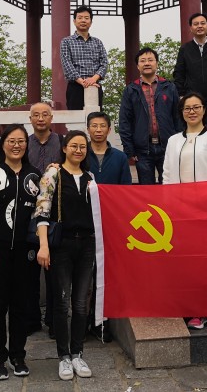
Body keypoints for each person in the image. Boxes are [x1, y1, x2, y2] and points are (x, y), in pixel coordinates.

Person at [161, 91, 207, 331]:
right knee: (191, 263)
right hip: (183, 212)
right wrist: (171, 207)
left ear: (204, 110)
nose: (191, 112)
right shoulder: (173, 141)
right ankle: (197, 310)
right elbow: (167, 176)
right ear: (181, 113)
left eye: (196, 107)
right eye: (187, 108)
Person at [0, 125, 40, 380]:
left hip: (25, 252)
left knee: (21, 306)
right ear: (3, 144)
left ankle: (18, 355)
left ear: (27, 144)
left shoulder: (34, 175)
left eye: (21, 141)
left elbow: (41, 212)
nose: (16, 145)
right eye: (12, 141)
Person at [35, 131, 97, 381]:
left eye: (83, 146)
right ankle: (63, 356)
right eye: (74, 146)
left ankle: (78, 353)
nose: (78, 150)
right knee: (62, 302)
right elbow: (42, 210)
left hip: (87, 244)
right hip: (61, 245)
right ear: (64, 148)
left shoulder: (91, 178)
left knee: (81, 303)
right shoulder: (53, 174)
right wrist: (43, 246)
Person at [84, 111, 131, 342]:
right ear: (88, 129)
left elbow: (126, 192)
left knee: (106, 273)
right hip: (84, 223)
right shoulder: (81, 154)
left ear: (109, 130)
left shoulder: (120, 158)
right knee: (85, 275)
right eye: (94, 126)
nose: (98, 130)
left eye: (102, 126)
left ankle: (102, 323)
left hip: (111, 223)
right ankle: (82, 322)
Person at [118, 47, 181, 184]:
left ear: (156, 63)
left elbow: (178, 117)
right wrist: (129, 149)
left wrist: (179, 144)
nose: (147, 63)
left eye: (150, 60)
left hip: (168, 147)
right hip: (142, 150)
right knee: (146, 189)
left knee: (170, 185)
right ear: (138, 66)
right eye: (143, 61)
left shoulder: (169, 87)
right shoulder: (131, 90)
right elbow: (124, 121)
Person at [26, 102, 62, 337]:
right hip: (27, 211)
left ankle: (53, 320)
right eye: (36, 115)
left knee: (54, 272)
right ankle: (30, 319)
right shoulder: (23, 142)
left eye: (45, 114)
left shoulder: (61, 142)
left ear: (51, 117)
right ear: (30, 119)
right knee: (28, 271)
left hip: (54, 213)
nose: (40, 118)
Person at [59, 5, 108, 110]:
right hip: (75, 87)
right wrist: (82, 81)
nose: (83, 20)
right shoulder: (66, 42)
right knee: (75, 117)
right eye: (80, 17)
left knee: (95, 116)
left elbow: (104, 63)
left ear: (91, 22)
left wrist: (93, 79)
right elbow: (67, 64)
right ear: (74, 21)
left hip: (95, 85)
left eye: (86, 18)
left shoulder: (98, 42)